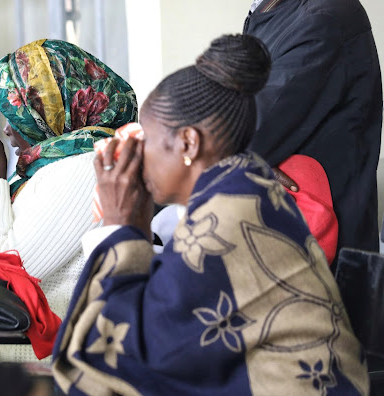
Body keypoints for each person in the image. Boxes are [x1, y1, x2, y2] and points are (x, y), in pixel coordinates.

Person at [52, 34, 368, 395]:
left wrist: (117, 227)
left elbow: (133, 351)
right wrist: (134, 229)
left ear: (188, 143)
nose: (140, 154)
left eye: (149, 139)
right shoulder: (246, 188)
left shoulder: (225, 219)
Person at [0, 38, 138, 361]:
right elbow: (15, 241)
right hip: (15, 329)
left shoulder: (85, 168)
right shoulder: (57, 160)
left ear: (52, 110)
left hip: (36, 346)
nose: (6, 131)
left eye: (16, 116)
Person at [232, 0, 382, 258]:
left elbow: (243, 134)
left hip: (318, 256)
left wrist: (242, 156)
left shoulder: (323, 20)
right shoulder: (282, 6)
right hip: (287, 239)